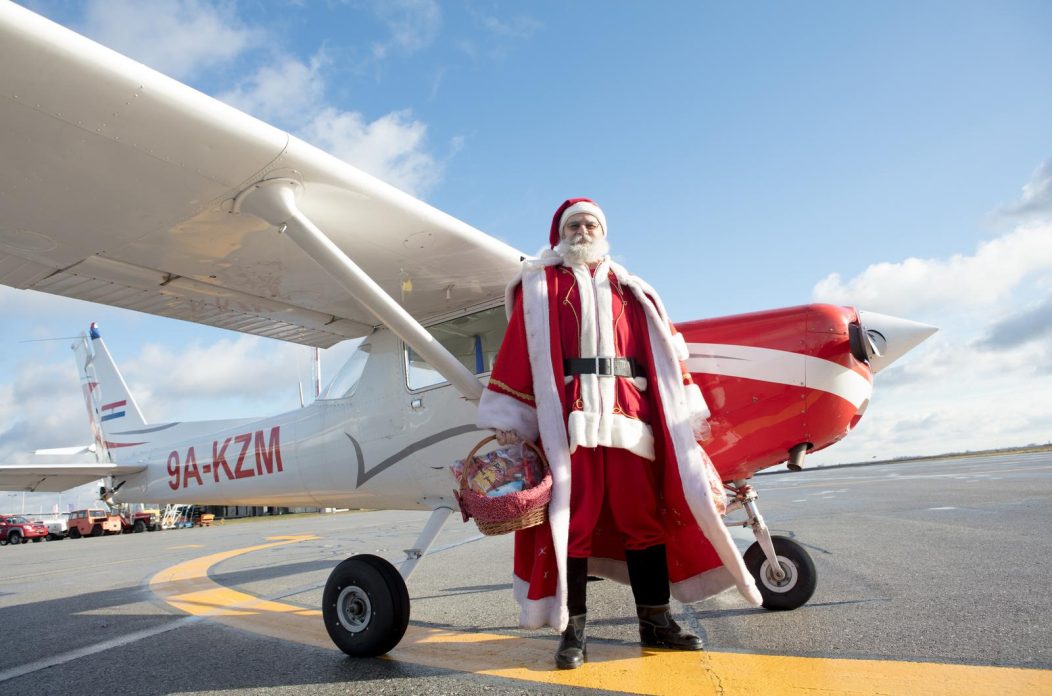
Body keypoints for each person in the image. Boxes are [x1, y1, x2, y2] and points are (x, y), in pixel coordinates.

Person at [476, 198, 762, 669]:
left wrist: (684, 412)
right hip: (571, 422)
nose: (583, 230)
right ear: (559, 233)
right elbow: (518, 352)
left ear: (603, 232)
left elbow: (667, 354)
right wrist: (512, 421)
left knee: (643, 522)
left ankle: (657, 622)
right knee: (573, 523)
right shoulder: (540, 285)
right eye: (574, 224)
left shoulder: (634, 290)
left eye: (591, 224)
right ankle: (573, 633)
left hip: (631, 419)